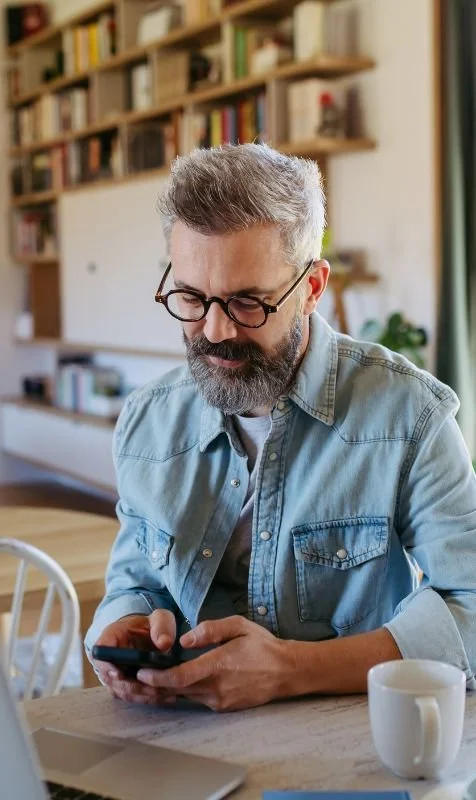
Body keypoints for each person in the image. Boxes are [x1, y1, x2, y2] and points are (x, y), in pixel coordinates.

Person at [85, 143, 476, 711]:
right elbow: (135, 583)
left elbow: (470, 612)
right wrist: (123, 626)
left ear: (312, 289)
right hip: (178, 738)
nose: (215, 330)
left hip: (345, 750)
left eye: (248, 303)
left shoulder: (407, 415)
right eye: (192, 297)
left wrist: (291, 670)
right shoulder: (148, 422)